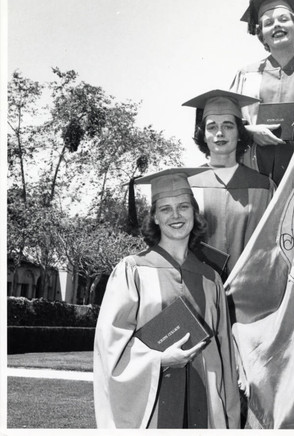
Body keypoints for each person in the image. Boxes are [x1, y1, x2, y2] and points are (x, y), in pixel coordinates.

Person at [93, 168, 240, 429]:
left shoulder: (211, 279)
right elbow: (109, 348)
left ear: (195, 214)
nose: (176, 215)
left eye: (183, 206)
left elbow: (225, 353)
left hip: (206, 399)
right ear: (155, 218)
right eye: (165, 209)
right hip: (153, 401)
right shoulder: (132, 271)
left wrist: (230, 417)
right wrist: (158, 360)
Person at [230, 0, 294, 185]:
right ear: (261, 35)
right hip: (255, 174)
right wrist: (249, 132)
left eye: (283, 19)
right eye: (268, 23)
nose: (276, 26)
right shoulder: (246, 75)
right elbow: (225, 120)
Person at [182, 89, 274, 281]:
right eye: (212, 127)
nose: (220, 133)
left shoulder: (264, 187)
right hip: (200, 291)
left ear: (240, 133)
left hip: (252, 292)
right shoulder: (188, 184)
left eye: (228, 126)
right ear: (203, 134)